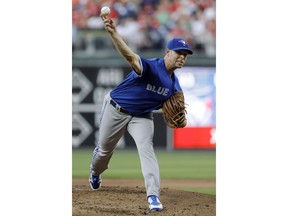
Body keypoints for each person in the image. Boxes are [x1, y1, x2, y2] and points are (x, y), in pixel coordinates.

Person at [89, 13, 193, 212]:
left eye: (185, 54)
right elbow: (129, 55)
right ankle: (95, 172)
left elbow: (177, 114)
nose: (182, 57)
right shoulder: (152, 67)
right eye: (179, 52)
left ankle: (153, 195)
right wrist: (114, 33)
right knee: (104, 151)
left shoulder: (175, 86)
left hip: (142, 116)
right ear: (168, 52)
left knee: (147, 150)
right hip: (116, 107)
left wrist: (179, 119)